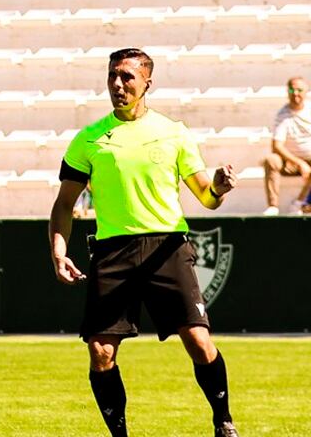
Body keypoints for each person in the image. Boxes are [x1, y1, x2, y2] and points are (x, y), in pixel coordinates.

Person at [49, 48, 240, 437]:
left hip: (166, 246)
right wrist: (58, 249)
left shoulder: (174, 132)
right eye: (112, 77)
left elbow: (205, 197)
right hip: (112, 251)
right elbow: (64, 203)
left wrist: (218, 188)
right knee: (101, 352)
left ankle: (223, 420)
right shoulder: (88, 140)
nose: (118, 85)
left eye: (127, 77)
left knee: (199, 342)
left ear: (147, 83)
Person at [261, 77, 311, 216]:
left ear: (306, 91)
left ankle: (300, 203)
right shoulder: (282, 114)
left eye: (299, 90)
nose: (295, 93)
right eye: (291, 89)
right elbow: (276, 145)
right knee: (271, 160)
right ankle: (273, 206)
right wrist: (300, 163)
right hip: (291, 162)